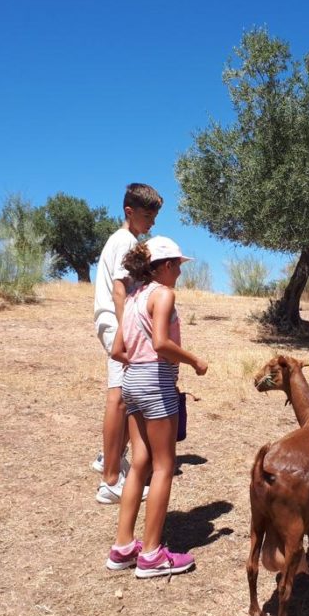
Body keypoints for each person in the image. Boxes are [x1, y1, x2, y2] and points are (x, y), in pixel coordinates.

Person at [105, 236, 208, 578]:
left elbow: (118, 350)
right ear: (164, 266)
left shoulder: (134, 297)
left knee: (139, 464)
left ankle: (123, 547)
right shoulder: (163, 295)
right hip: (156, 381)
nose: (179, 271)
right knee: (164, 466)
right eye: (177, 265)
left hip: (132, 379)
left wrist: (140, 359)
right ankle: (151, 554)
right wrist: (194, 361)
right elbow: (162, 343)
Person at [92, 183, 163, 504]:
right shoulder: (124, 242)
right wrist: (128, 331)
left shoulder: (124, 240)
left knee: (123, 396)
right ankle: (110, 480)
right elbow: (120, 291)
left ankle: (110, 460)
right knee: (118, 398)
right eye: (147, 215)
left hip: (117, 324)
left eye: (154, 216)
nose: (151, 223)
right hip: (118, 324)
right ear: (129, 212)